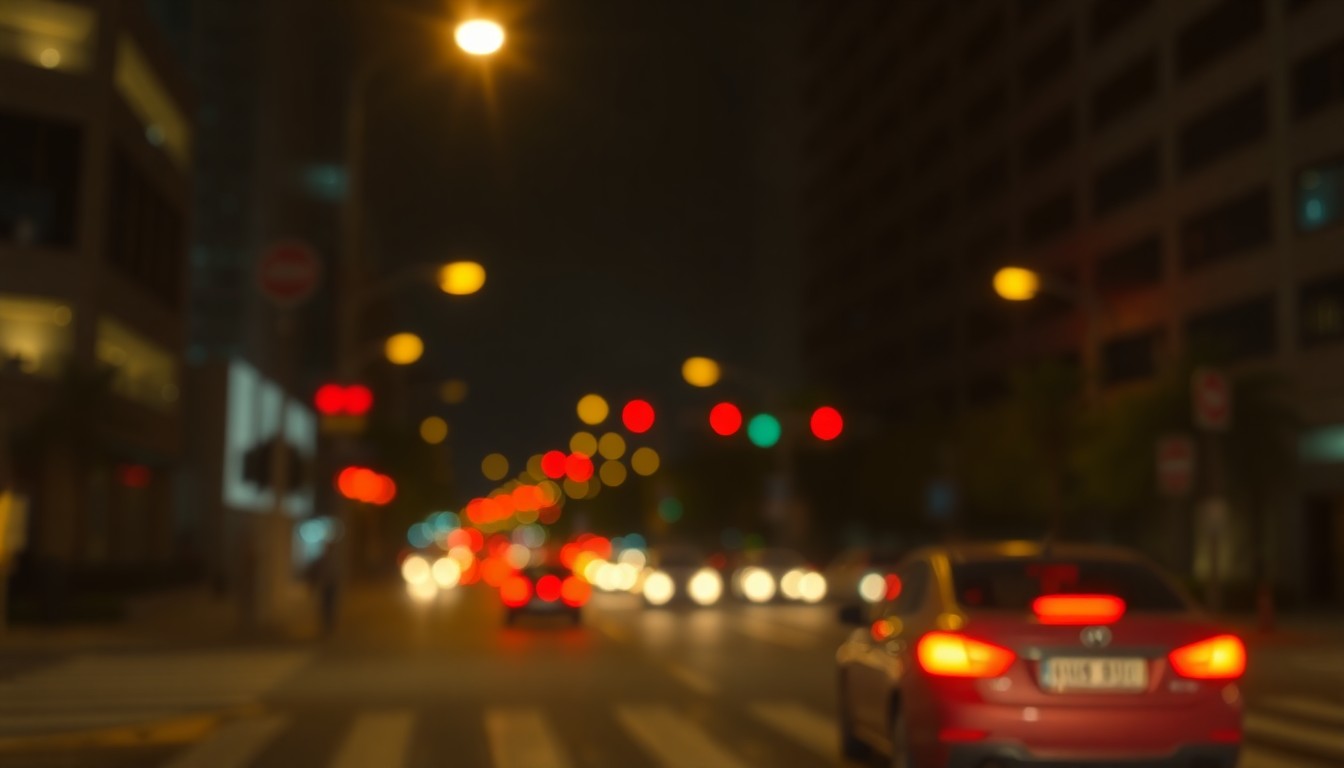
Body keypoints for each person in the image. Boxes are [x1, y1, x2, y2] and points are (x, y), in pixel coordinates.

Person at [306, 544, 340, 637]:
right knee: (325, 606)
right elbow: (317, 572)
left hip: (330, 587)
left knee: (329, 606)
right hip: (326, 586)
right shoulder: (324, 560)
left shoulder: (333, 560)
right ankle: (326, 625)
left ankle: (329, 625)